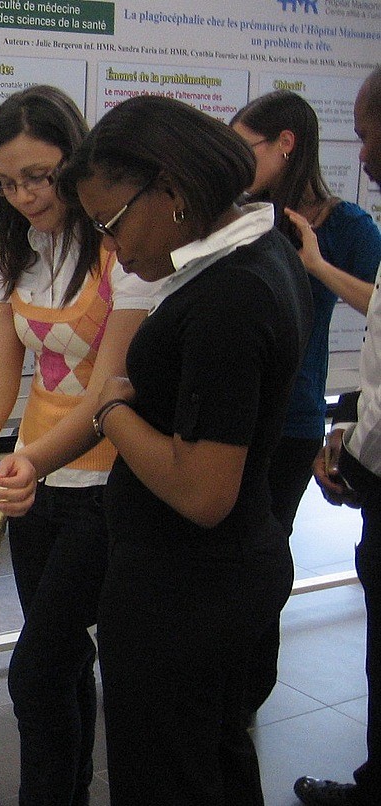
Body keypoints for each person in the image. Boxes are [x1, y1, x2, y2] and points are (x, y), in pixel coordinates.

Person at [56, 94, 312, 805]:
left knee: (168, 777)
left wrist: (110, 405)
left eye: (110, 223)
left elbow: (202, 492)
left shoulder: (230, 297)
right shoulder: (260, 250)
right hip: (219, 579)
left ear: (168, 188)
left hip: (186, 595)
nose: (112, 247)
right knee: (216, 762)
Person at [0, 85, 161, 805]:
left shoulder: (124, 250)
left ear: (77, 159)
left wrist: (28, 461)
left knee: (34, 668)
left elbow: (102, 398)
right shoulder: (18, 252)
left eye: (38, 175)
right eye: (5, 182)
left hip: (106, 484)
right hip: (36, 487)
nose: (23, 195)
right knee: (58, 658)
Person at [231, 90, 381, 718]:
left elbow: (374, 300)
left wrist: (315, 263)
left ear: (285, 144)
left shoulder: (348, 227)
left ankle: (247, 690)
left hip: (292, 418)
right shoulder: (238, 214)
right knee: (226, 553)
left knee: (266, 551)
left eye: (247, 147)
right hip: (231, 412)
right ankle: (220, 681)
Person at [294, 65, 381, 806]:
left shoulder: (348, 229)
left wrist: (352, 447)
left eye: (368, 130)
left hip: (313, 426)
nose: (364, 151)